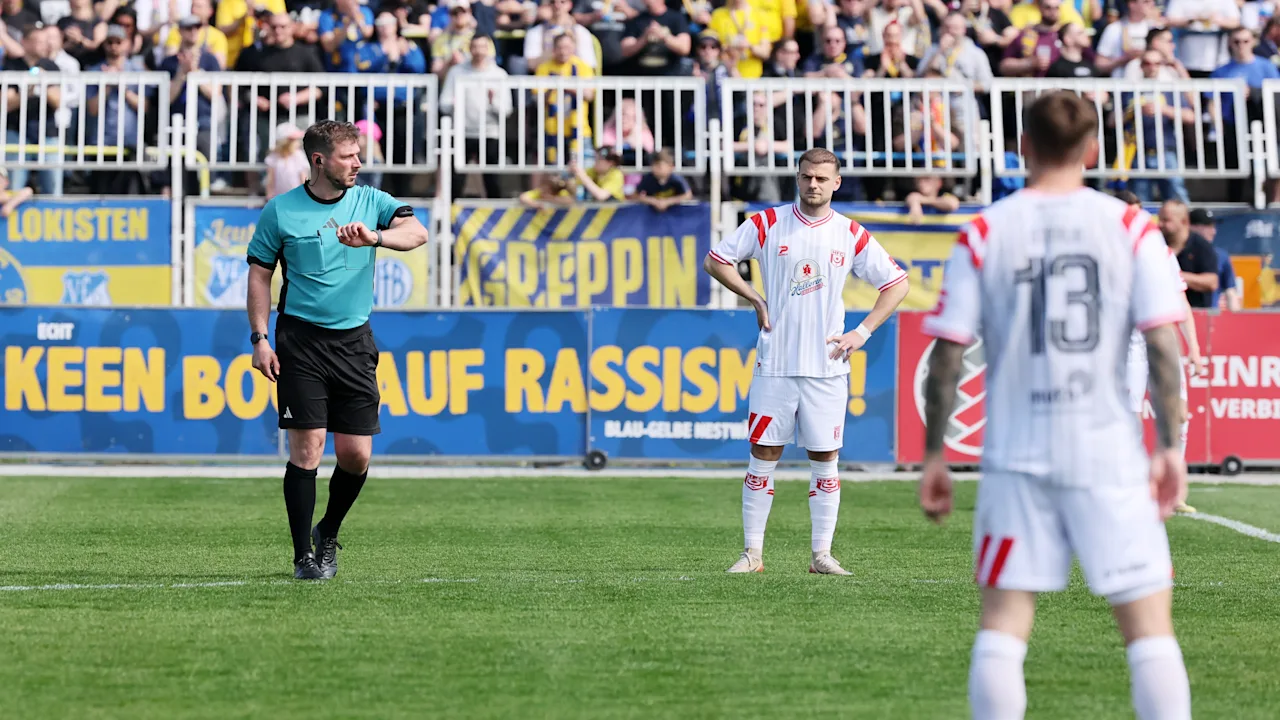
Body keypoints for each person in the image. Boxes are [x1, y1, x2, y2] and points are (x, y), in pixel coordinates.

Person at [918, 90, 1192, 720]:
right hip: (1108, 453)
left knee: (1003, 626)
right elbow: (1162, 345)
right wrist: (1171, 447)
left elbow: (949, 356)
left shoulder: (986, 230)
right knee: (1148, 627)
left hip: (1017, 454)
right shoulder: (1130, 227)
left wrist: (935, 455)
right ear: (1093, 150)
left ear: (1022, 148)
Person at [703, 148, 910, 576]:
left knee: (826, 460)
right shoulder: (766, 223)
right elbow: (716, 260)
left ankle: (821, 556)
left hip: (828, 366)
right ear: (797, 178)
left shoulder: (850, 234)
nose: (812, 185)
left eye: (821, 178)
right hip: (776, 363)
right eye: (805, 177)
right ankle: (752, 556)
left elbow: (896, 283)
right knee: (762, 456)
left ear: (836, 182)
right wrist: (755, 296)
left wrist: (862, 332)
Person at [245, 120, 430, 580]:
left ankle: (328, 530)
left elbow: (418, 233)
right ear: (319, 160)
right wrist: (259, 338)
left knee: (356, 456)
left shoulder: (373, 202)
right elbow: (259, 275)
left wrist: (376, 238)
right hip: (300, 342)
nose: (358, 163)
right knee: (306, 450)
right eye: (350, 156)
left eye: (359, 154)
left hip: (354, 342)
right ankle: (302, 556)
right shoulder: (280, 210)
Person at [1120, 194, 1203, 516]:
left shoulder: (1161, 253)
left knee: (1178, 414)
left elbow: (1180, 302)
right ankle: (1132, 483)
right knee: (1129, 415)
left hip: (1162, 340)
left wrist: (1193, 348)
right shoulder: (1108, 252)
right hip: (1129, 346)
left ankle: (1175, 489)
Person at [1163, 199, 1218, 308]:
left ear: (1183, 221)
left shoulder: (1201, 246)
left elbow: (1212, 281)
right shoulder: (1157, 243)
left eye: (1166, 220)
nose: (1160, 224)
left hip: (1196, 312)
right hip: (1163, 313)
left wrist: (1178, 276)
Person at [1189, 208, 1242, 311]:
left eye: (1213, 226)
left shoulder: (1221, 256)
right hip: (1185, 314)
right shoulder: (1179, 253)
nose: (1213, 231)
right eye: (1207, 226)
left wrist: (1236, 321)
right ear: (1192, 227)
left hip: (1211, 317)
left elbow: (1230, 292)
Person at [264, 123, 308, 199]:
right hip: (279, 197)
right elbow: (271, 179)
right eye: (294, 140)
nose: (298, 143)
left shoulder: (299, 156)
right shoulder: (274, 157)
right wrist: (269, 195)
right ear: (285, 142)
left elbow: (303, 178)